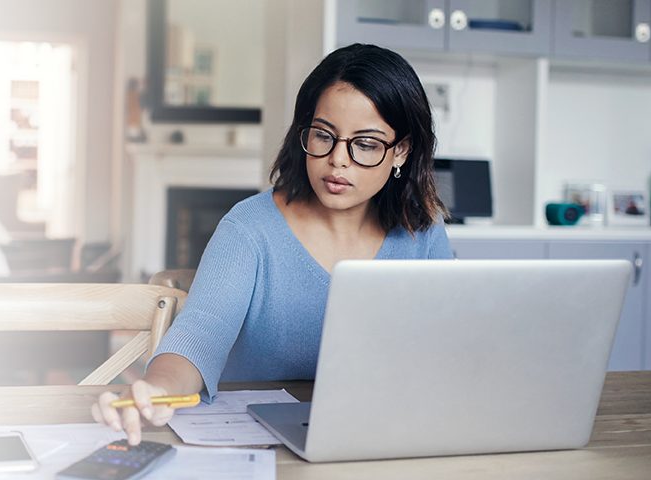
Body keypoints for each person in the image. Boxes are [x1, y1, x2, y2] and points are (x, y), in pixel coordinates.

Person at [91, 44, 453, 445]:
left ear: (400, 150)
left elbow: (448, 350)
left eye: (365, 144)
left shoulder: (423, 231)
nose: (338, 160)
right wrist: (157, 390)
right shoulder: (248, 229)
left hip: (379, 440)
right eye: (323, 136)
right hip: (256, 446)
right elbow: (198, 336)